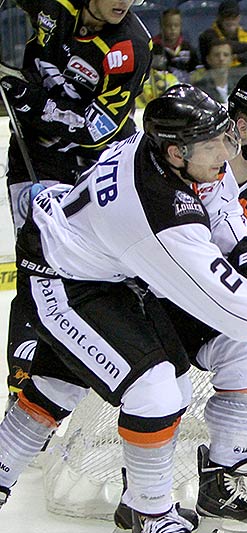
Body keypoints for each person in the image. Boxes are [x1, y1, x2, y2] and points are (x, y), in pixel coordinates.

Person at [0, 85, 247, 533]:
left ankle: (208, 481)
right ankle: (151, 511)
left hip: (111, 272)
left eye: (226, 140)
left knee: (62, 386)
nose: (225, 153)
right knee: (150, 390)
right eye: (215, 145)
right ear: (176, 152)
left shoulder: (186, 154)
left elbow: (222, 207)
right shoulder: (154, 210)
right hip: (63, 283)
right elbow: (222, 304)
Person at [111, 73, 247, 533]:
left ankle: (222, 481)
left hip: (208, 310)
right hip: (145, 304)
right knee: (163, 388)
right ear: (243, 125)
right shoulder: (174, 164)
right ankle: (142, 496)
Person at [1, 0, 152, 407]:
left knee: (114, 271)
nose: (123, 0)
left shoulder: (130, 46)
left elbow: (96, 130)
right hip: (37, 156)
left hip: (101, 164)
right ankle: (25, 383)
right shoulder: (53, 3)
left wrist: (31, 99)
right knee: (38, 264)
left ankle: (114, 369)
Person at [198, 0, 247, 72]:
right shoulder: (208, 35)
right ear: (219, 18)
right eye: (227, 17)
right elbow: (223, 46)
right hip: (218, 76)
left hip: (245, 74)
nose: (231, 20)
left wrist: (238, 57)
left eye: (234, 17)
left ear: (239, 18)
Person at [192, 38, 247, 104]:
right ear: (208, 59)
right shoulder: (199, 89)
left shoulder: (241, 86)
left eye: (226, 55)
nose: (221, 59)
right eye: (216, 55)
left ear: (232, 59)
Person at [150, 7, 201, 83]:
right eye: (168, 25)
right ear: (161, 27)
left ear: (181, 26)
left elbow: (197, 71)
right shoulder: (153, 48)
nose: (173, 29)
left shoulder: (187, 48)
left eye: (176, 25)